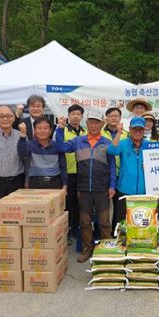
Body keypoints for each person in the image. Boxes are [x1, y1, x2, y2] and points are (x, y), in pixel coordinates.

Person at [56, 110, 116, 263]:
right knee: (84, 222)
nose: (94, 125)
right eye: (91, 122)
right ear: (87, 124)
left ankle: (107, 249)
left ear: (101, 124)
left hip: (102, 188)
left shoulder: (107, 143)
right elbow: (60, 148)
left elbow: (112, 166)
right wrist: (60, 129)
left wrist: (112, 185)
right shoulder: (77, 141)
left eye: (97, 122)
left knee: (104, 222)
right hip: (83, 188)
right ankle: (87, 248)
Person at [108, 117, 150, 225]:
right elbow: (112, 151)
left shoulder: (149, 145)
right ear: (130, 130)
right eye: (134, 129)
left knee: (142, 223)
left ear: (144, 130)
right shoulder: (123, 143)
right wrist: (118, 133)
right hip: (124, 190)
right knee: (123, 223)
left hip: (144, 191)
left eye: (140, 129)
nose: (137, 132)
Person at [54, 104, 87, 239]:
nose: (75, 116)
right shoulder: (61, 130)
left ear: (81, 116)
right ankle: (66, 229)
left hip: (82, 172)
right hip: (67, 171)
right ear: (68, 116)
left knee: (80, 203)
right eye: (72, 114)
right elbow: (58, 147)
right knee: (68, 202)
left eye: (78, 114)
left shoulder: (85, 132)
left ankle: (76, 227)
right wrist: (60, 129)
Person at [17, 118, 67, 191]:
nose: (42, 131)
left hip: (55, 182)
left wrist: (65, 185)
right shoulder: (30, 145)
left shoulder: (57, 146)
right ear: (35, 131)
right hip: (35, 183)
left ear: (50, 131)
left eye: (46, 128)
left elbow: (63, 166)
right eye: (39, 128)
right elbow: (22, 153)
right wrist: (22, 135)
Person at [101, 107, 129, 233]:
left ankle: (116, 231)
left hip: (122, 174)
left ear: (120, 118)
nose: (113, 118)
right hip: (104, 173)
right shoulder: (100, 132)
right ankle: (102, 232)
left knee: (119, 206)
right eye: (111, 115)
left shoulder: (126, 133)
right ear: (106, 118)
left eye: (116, 115)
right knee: (103, 206)